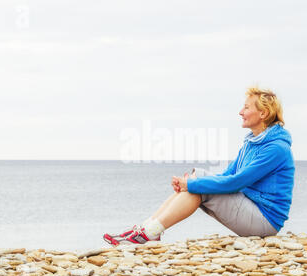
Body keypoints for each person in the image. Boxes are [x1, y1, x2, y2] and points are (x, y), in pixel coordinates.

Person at [103, 86, 295, 246]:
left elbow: (236, 182)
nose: (240, 112)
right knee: (197, 177)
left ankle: (149, 233)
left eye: (246, 108)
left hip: (264, 221)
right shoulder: (252, 143)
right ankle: (146, 229)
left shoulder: (275, 149)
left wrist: (192, 186)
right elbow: (227, 174)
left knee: (197, 187)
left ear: (263, 113)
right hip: (251, 208)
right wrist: (192, 182)